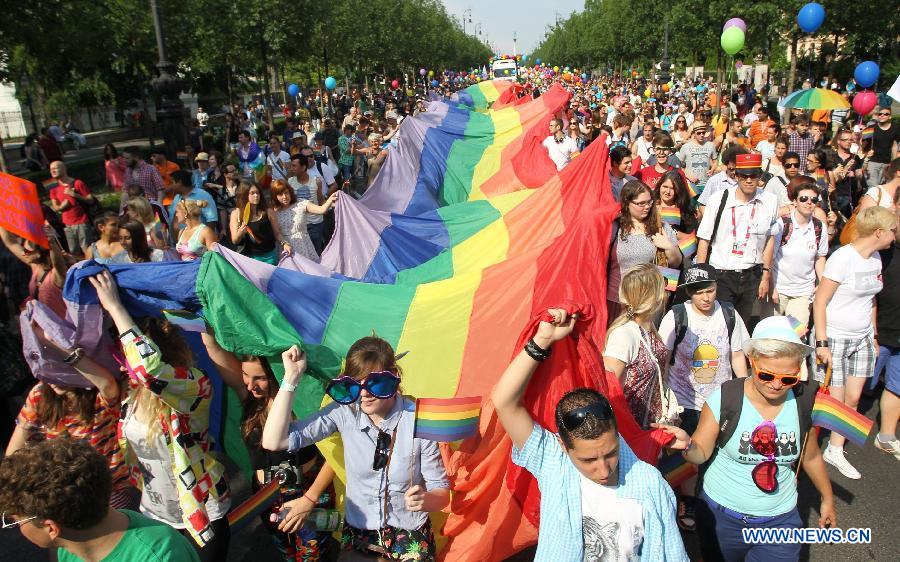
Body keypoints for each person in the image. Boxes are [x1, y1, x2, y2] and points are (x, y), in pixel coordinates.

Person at [491, 307, 688, 561]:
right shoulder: (552, 462)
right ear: (563, 446)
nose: (604, 470)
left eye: (610, 453)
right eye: (588, 460)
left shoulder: (649, 483)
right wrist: (542, 340)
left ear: (618, 435)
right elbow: (504, 401)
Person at [654, 316, 836, 562]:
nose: (776, 385)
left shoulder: (803, 402)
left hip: (780, 521)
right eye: (767, 375)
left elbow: (811, 456)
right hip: (722, 518)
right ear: (753, 360)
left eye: (788, 379)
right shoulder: (726, 398)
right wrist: (687, 443)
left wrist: (827, 498)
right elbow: (701, 453)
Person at [262, 338, 451, 561]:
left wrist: (426, 499)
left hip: (409, 536)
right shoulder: (345, 411)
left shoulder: (418, 419)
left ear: (393, 377)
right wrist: (291, 378)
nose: (363, 394)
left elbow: (441, 493)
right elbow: (275, 441)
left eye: (375, 383)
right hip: (359, 535)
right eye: (354, 385)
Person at [89, 271, 231, 559]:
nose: (120, 361)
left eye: (123, 353)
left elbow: (149, 370)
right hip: (154, 516)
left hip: (200, 514)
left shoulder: (195, 386)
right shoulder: (131, 394)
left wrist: (116, 308)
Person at [202, 339, 338, 561]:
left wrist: (310, 499)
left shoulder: (303, 403)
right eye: (246, 375)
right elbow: (214, 349)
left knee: (312, 557)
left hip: (306, 491)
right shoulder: (251, 398)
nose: (250, 384)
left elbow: (336, 454)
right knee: (286, 552)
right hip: (266, 496)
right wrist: (203, 310)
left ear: (275, 374)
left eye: (259, 378)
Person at [658, 263, 750, 531]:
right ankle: (687, 499)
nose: (706, 297)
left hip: (718, 401)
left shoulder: (730, 314)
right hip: (683, 400)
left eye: (709, 290)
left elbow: (737, 354)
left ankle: (712, 499)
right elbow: (663, 357)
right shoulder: (676, 316)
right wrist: (662, 395)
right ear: (688, 293)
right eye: (698, 292)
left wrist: (743, 389)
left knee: (716, 453)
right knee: (686, 453)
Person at [0, 439, 199, 562]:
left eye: (13, 520)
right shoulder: (67, 547)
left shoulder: (161, 556)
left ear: (51, 528)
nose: (15, 526)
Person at [813, 205, 898, 480]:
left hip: (862, 336)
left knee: (853, 397)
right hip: (835, 335)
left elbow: (871, 299)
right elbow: (821, 301)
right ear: (878, 232)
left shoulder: (875, 260)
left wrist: (873, 335)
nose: (895, 236)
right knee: (835, 400)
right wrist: (822, 341)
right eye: (892, 231)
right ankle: (818, 448)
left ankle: (835, 449)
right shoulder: (843, 258)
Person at [696, 153, 779, 331]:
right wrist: (701, 278)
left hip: (751, 275)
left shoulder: (770, 201)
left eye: (753, 175)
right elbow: (704, 239)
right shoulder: (719, 199)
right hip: (722, 274)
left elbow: (769, 240)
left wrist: (765, 276)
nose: (749, 180)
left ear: (759, 176)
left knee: (740, 329)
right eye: (744, 176)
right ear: (736, 175)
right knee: (718, 325)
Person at [604, 264, 672, 429]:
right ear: (650, 297)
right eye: (662, 288)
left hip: (650, 431)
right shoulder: (623, 335)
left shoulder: (649, 330)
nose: (666, 293)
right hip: (629, 435)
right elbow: (607, 392)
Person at [607, 181, 682, 319]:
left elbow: (676, 263)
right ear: (626, 203)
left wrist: (668, 246)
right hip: (619, 301)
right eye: (641, 203)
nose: (647, 207)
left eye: (649, 202)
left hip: (650, 302)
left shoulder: (660, 226)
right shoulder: (615, 227)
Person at [771, 182, 829, 328]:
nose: (809, 203)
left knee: (796, 336)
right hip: (779, 289)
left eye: (813, 200)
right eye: (804, 199)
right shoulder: (782, 224)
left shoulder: (819, 227)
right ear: (795, 202)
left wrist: (821, 282)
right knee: (772, 337)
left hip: (803, 292)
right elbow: (769, 257)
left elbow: (820, 257)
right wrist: (772, 287)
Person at [271, 179, 336, 262]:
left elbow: (321, 210)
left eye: (286, 192)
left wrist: (330, 199)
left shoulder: (300, 203)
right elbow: (277, 233)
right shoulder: (273, 211)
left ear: (290, 192)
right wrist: (284, 243)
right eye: (280, 194)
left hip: (304, 247)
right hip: (287, 250)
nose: (284, 196)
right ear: (275, 196)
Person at [230, 181, 288, 264]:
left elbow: (277, 233)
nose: (256, 196)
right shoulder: (236, 214)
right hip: (249, 258)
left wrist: (285, 244)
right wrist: (240, 232)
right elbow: (234, 240)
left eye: (258, 193)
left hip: (270, 256)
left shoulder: (268, 212)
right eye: (252, 193)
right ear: (244, 195)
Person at [47, 160, 95, 257]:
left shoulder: (77, 183)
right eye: (51, 169)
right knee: (73, 251)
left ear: (64, 169)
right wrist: (62, 206)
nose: (53, 171)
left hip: (82, 222)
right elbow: (55, 207)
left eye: (55, 168)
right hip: (67, 224)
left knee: (87, 248)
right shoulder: (52, 186)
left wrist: (74, 195)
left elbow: (91, 200)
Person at [867, 106, 899, 188]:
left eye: (885, 114)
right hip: (872, 161)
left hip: (886, 162)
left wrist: (893, 161)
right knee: (872, 186)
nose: (882, 115)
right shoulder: (871, 128)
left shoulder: (895, 128)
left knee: (882, 185)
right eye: (880, 114)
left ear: (890, 116)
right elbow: (863, 144)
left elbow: (894, 146)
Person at [677, 124, 716, 188]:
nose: (702, 135)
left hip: (706, 183)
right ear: (693, 134)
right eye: (699, 133)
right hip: (691, 184)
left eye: (703, 133)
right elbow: (678, 165)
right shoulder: (685, 147)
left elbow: (715, 161)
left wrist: (712, 170)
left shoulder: (711, 145)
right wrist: (688, 176)